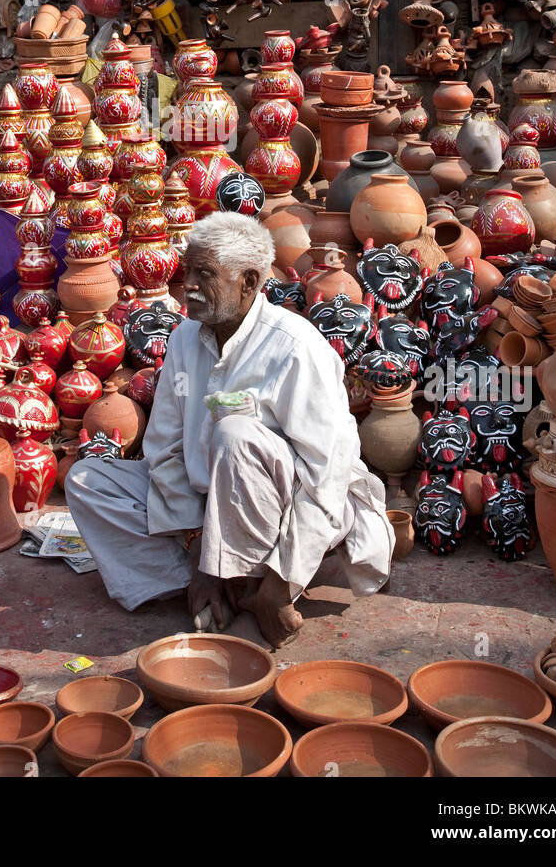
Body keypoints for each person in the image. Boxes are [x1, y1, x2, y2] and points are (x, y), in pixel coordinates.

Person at [66, 212, 393, 648]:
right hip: (205, 509)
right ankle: (210, 584)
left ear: (249, 281)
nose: (190, 286)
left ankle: (257, 584)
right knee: (89, 479)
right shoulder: (184, 337)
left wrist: (284, 582)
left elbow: (326, 477)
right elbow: (165, 448)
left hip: (289, 507)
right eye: (188, 273)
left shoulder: (296, 347)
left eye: (205, 275)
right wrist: (202, 546)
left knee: (235, 434)